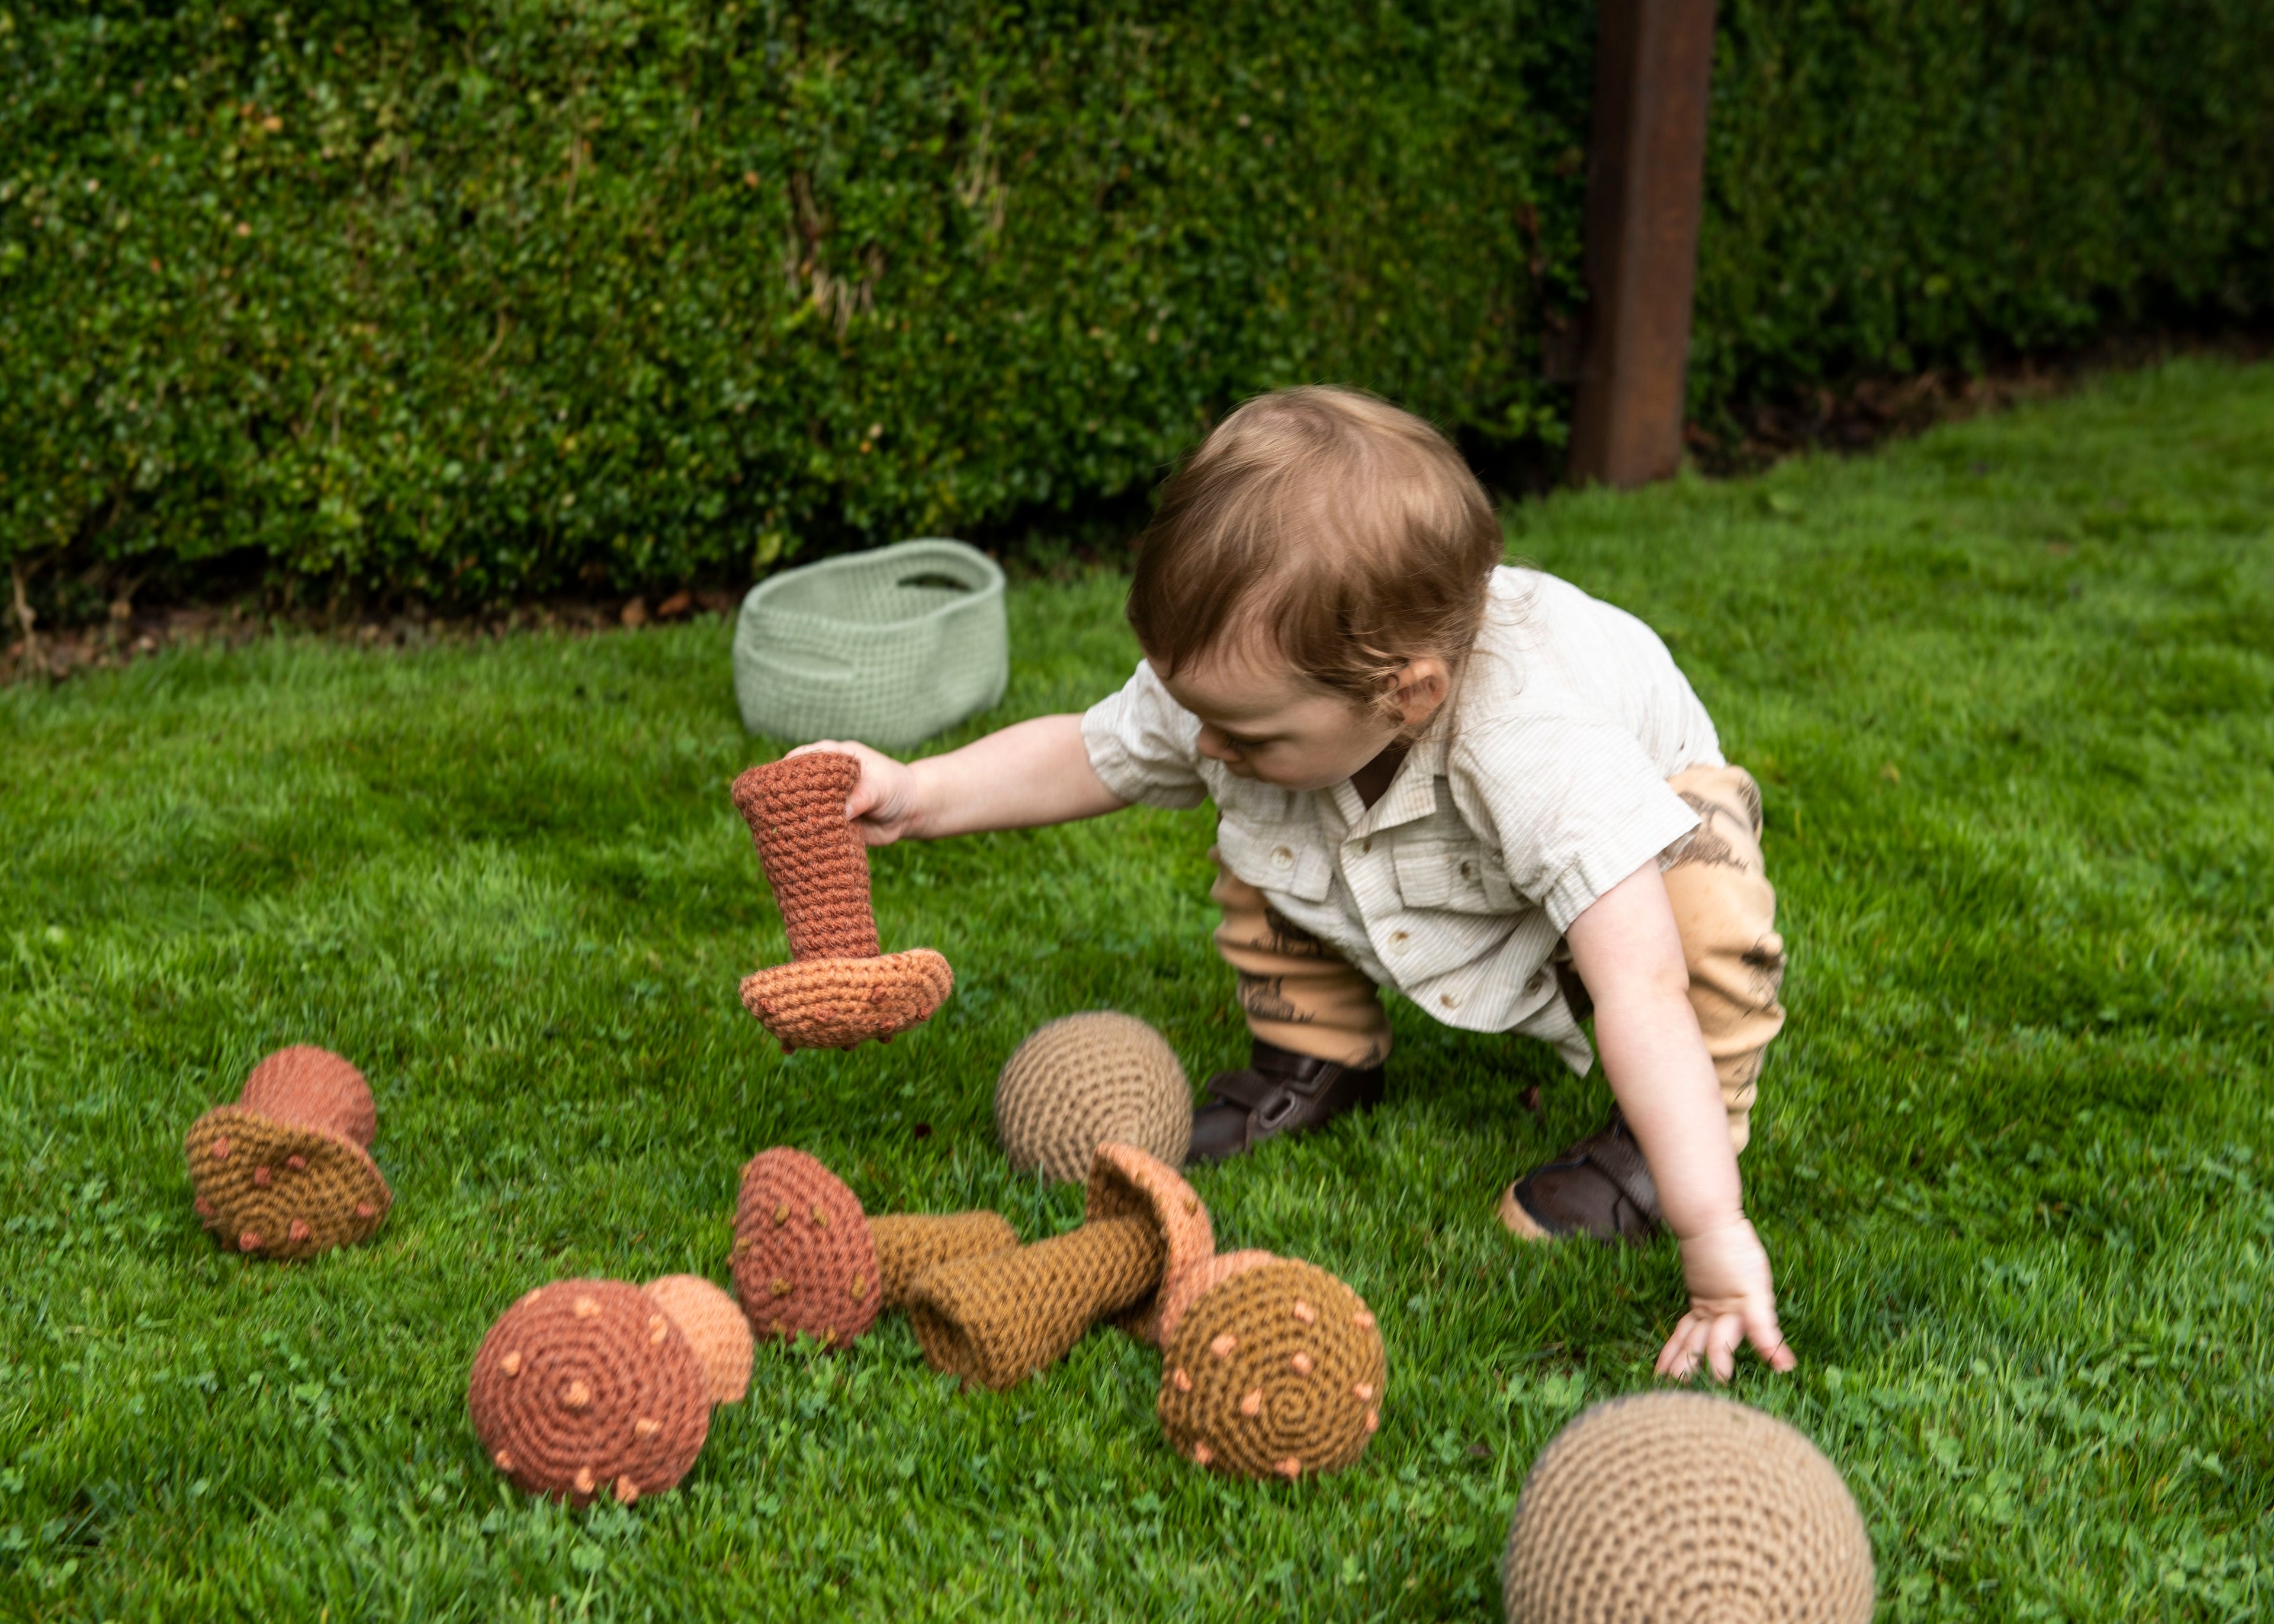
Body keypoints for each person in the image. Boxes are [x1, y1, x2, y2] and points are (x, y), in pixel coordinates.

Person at [801, 386, 1794, 1382]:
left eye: (1244, 729)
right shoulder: (1245, 681)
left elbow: (1642, 989)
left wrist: (1712, 1231)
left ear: (1407, 694)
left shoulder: (1537, 745)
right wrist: (918, 793)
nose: (1205, 744)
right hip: (1412, 837)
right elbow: (1093, 751)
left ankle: (1659, 1152)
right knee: (1267, 829)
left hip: (1644, 842)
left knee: (1701, 925)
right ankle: (1318, 1054)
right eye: (1196, 713)